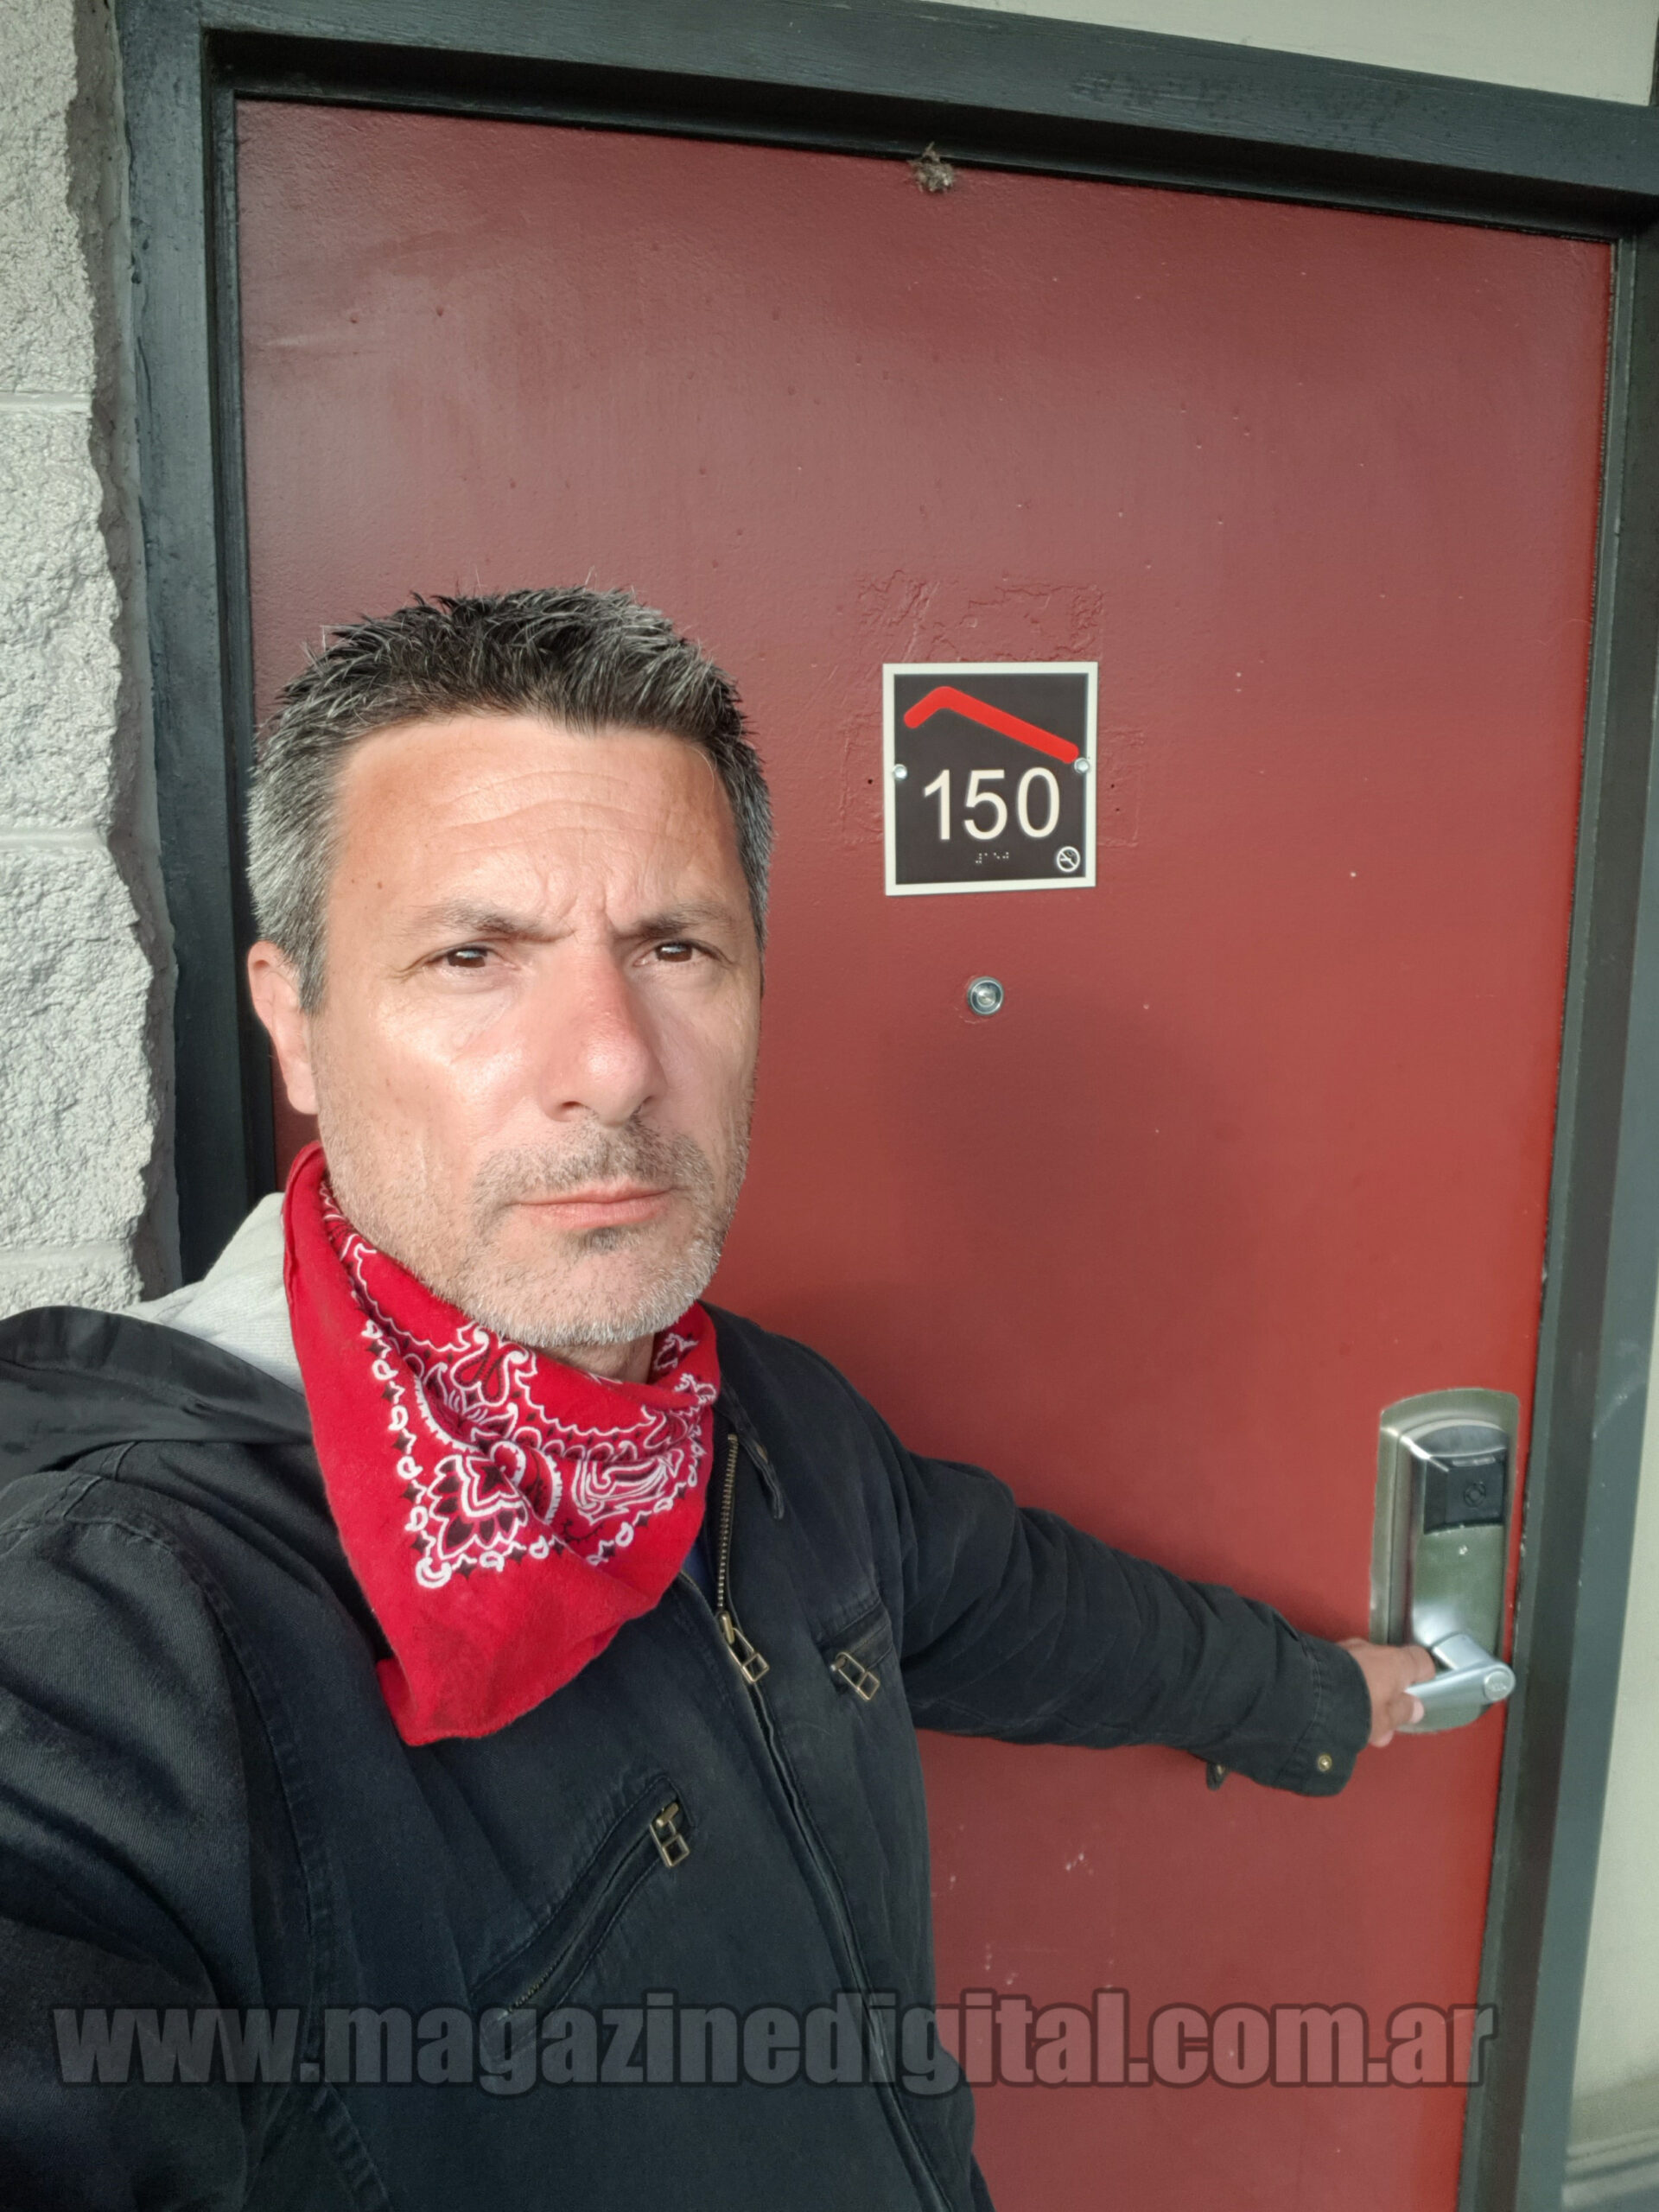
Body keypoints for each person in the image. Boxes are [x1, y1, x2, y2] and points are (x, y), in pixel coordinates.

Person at [0, 589, 1430, 2210]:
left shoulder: (769, 1424)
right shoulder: (121, 1622)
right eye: (474, 957)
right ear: (297, 1022)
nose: (613, 1062)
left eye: (675, 950)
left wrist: (1318, 1698)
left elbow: (1012, 1604)